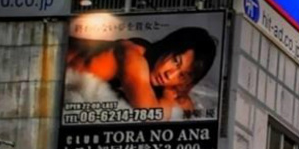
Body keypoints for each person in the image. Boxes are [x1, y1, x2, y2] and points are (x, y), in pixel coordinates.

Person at [64, 25, 218, 118]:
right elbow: (151, 114)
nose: (170, 75)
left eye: (182, 75)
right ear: (168, 46)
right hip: (49, 54)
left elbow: (187, 109)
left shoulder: (151, 64)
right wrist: (168, 99)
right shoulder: (134, 58)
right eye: (175, 61)